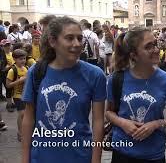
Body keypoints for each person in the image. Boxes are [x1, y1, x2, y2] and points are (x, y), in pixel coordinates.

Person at [21, 16, 106, 163]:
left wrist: (96, 159)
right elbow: (28, 118)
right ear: (53, 41)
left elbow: (98, 122)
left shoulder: (95, 75)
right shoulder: (36, 72)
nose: (77, 44)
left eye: (80, 38)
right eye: (69, 38)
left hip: (79, 156)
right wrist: (24, 159)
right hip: (41, 157)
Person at [106, 27, 166, 163]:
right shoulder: (116, 79)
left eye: (156, 44)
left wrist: (156, 124)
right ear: (133, 55)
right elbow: (109, 113)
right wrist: (123, 123)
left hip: (153, 154)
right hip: (122, 152)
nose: (157, 50)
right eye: (148, 47)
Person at [6, 49, 28, 141]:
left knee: (26, 114)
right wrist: (20, 80)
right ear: (14, 59)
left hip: (26, 94)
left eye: (24, 58)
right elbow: (8, 85)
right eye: (21, 59)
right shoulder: (12, 70)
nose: (23, 60)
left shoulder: (26, 68)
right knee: (22, 114)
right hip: (17, 95)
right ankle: (20, 132)